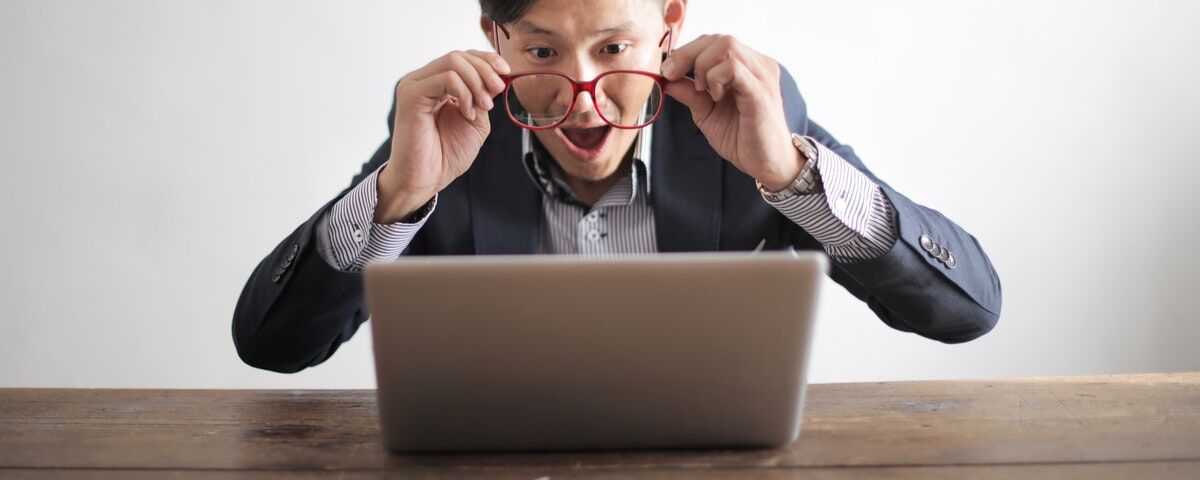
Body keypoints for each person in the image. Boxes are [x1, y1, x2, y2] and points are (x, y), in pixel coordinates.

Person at [233, 0, 1002, 373]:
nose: (581, 88)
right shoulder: (450, 132)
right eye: (541, 49)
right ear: (493, 38)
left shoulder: (749, 115)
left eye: (614, 47)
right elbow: (272, 345)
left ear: (669, 25)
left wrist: (789, 175)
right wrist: (397, 197)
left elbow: (967, 310)